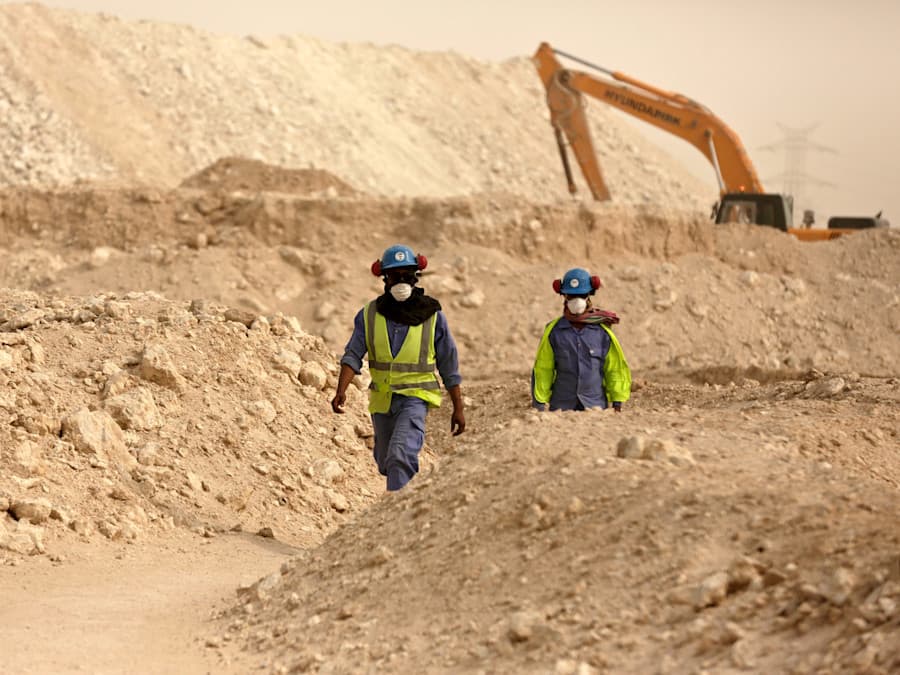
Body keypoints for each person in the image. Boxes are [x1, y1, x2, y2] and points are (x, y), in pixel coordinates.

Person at [331, 244, 466, 492]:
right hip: (382, 401)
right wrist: (341, 389)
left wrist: (458, 407)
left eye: (406, 275)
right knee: (385, 460)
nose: (401, 281)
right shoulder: (369, 314)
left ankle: (399, 524)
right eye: (395, 276)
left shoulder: (433, 316)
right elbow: (353, 354)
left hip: (416, 399)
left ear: (415, 276)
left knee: (400, 455)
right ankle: (409, 502)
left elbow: (449, 364)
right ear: (385, 278)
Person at [532, 267, 631, 412]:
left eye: (581, 295)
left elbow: (614, 368)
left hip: (595, 407)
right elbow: (543, 368)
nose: (576, 300)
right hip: (561, 408)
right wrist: (539, 402)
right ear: (564, 296)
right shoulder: (553, 331)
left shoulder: (603, 332)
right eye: (571, 296)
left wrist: (617, 400)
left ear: (590, 294)